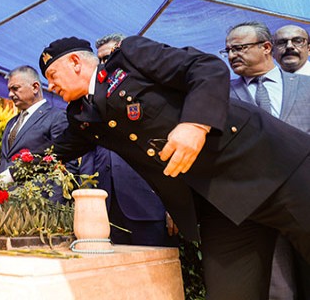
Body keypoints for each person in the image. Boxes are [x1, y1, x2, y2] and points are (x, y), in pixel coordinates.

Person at [38, 35, 310, 299]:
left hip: (271, 169)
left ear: (75, 62)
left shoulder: (130, 57)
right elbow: (52, 154)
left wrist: (195, 123)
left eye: (52, 76)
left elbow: (205, 67)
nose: (50, 86)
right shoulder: (81, 116)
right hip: (222, 204)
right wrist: (4, 179)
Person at [225, 21, 310, 298]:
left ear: (265, 48)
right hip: (256, 208)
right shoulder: (220, 93)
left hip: (306, 199)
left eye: (239, 48)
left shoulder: (307, 87)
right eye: (228, 50)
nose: (232, 55)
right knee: (277, 288)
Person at [77, 33, 177, 247]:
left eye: (111, 57)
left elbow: (173, 153)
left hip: (148, 207)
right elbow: (87, 153)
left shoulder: (153, 93)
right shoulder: (93, 100)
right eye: (101, 59)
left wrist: (176, 207)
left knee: (158, 272)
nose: (106, 64)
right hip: (106, 206)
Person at [0, 65, 68, 173]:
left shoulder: (56, 117)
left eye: (15, 88)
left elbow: (66, 166)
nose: (10, 94)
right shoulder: (11, 123)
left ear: (35, 87)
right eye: (9, 90)